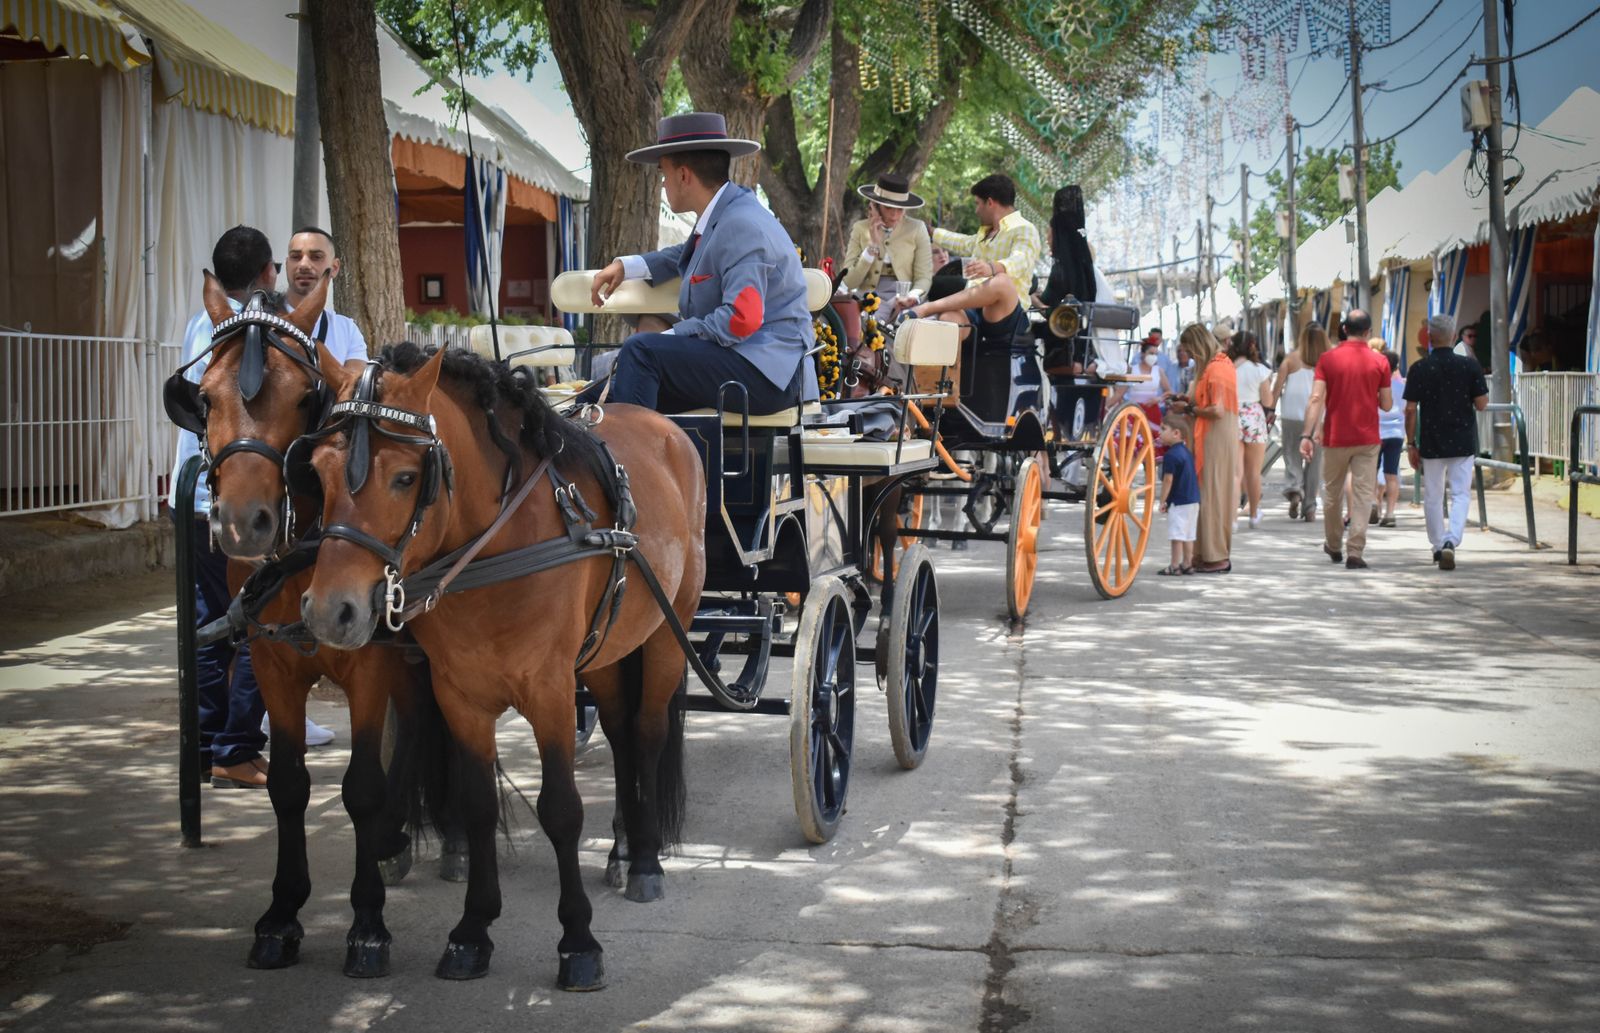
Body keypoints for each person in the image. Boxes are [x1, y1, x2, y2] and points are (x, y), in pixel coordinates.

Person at [584, 112, 814, 414]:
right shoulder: (729, 213)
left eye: (664, 173)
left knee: (640, 351)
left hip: (769, 373)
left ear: (683, 176)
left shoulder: (741, 224)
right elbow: (689, 252)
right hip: (747, 360)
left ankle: (635, 446)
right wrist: (627, 266)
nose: (663, 184)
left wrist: (668, 337)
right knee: (595, 397)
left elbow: (741, 319)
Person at [167, 226, 274, 788]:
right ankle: (235, 748)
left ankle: (209, 745)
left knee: (209, 625)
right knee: (261, 622)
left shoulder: (200, 324)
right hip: (231, 503)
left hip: (189, 501)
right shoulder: (249, 330)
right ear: (268, 274)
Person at [1299, 309, 1392, 570]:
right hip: (1367, 438)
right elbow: (1386, 404)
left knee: (1332, 493)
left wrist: (1307, 435)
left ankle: (1333, 543)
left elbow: (1316, 398)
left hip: (1335, 436)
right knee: (1363, 494)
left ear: (1344, 329)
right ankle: (1355, 551)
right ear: (1368, 332)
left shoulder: (1327, 359)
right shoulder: (1380, 361)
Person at [1404, 313, 1488, 570]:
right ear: (1453, 336)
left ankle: (1438, 545)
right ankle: (1452, 539)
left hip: (1431, 440)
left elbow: (1410, 409)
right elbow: (1482, 404)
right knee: (1460, 493)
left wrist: (1411, 443)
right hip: (1462, 439)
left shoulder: (1419, 368)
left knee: (1433, 495)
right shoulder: (1469, 366)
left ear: (1430, 337)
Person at [1171, 323, 1237, 573]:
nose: (1189, 355)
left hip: (1215, 437)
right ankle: (1204, 553)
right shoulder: (1214, 366)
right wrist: (1185, 401)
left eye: (1190, 350)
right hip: (1212, 435)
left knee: (1211, 495)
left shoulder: (1217, 368)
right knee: (1206, 493)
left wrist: (1188, 408)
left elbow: (1216, 410)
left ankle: (1216, 556)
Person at [931, 173, 1042, 312]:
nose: (976, 211)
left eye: (977, 204)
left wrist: (992, 267)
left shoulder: (1025, 229)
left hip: (1005, 310)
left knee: (937, 286)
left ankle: (924, 309)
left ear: (990, 203)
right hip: (974, 302)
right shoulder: (986, 232)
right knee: (945, 311)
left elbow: (1020, 261)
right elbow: (962, 242)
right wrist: (930, 231)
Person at [282, 226, 369, 371]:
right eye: (296, 257)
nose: (304, 265)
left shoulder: (347, 330)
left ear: (334, 268)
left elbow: (354, 383)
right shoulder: (264, 321)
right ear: (287, 264)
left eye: (316, 257)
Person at [1033, 185, 1097, 373]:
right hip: (1086, 351)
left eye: (1049, 232)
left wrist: (1033, 299)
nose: (1047, 239)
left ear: (1058, 234)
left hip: (1063, 352)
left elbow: (1050, 311)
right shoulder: (1085, 265)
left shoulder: (1061, 270)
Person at [840, 173, 933, 300]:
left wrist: (913, 297)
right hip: (867, 298)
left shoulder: (917, 228)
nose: (894, 215)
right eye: (888, 208)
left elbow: (924, 277)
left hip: (904, 296)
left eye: (900, 209)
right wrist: (872, 246)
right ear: (874, 206)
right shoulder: (860, 228)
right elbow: (849, 282)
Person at [1271, 322, 1328, 522]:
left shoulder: (1291, 359)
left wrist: (1270, 410)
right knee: (1315, 462)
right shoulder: (1327, 360)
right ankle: (1310, 507)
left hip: (1291, 414)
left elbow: (1277, 388)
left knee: (1291, 454)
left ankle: (1295, 488)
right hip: (1318, 416)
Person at [1231, 332, 1272, 528]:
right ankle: (1254, 514)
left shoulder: (1228, 368)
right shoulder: (1260, 370)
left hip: (1232, 416)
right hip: (1254, 417)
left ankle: (1232, 519)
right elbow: (1267, 401)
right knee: (1254, 472)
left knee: (1235, 473)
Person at [1156, 412, 1199, 576]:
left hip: (1179, 501)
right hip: (1193, 500)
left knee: (1176, 535)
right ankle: (1187, 563)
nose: (1159, 432)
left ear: (1176, 433)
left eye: (1163, 429)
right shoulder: (1186, 452)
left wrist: (1163, 501)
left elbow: (1168, 480)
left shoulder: (1171, 455)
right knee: (1188, 534)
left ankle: (1174, 565)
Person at [1376, 349, 1406, 528]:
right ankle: (1390, 512)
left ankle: (1375, 504)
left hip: (1376, 432)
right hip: (1396, 433)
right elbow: (1407, 409)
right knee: (1392, 474)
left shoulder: (1375, 386)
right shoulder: (1401, 387)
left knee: (1371, 471)